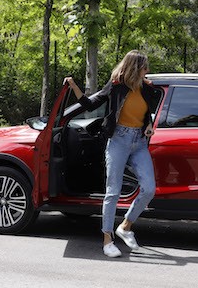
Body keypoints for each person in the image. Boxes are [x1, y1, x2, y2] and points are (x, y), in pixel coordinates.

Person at [64, 50, 158, 258]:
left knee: (149, 188)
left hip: (139, 142)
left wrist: (149, 125)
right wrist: (74, 87)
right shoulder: (116, 87)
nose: (148, 71)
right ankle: (107, 239)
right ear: (135, 68)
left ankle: (125, 226)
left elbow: (147, 113)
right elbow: (90, 105)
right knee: (113, 191)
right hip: (118, 141)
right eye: (144, 67)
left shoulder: (147, 89)